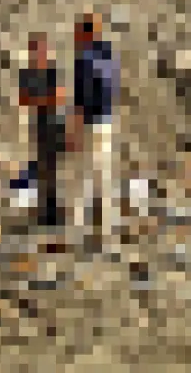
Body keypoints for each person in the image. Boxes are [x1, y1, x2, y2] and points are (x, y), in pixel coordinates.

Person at [67, 13, 120, 248]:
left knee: (82, 176)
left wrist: (74, 132)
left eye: (78, 31)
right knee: (104, 177)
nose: (75, 36)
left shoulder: (83, 59)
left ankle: (78, 231)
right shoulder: (108, 56)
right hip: (106, 122)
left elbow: (81, 98)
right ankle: (106, 232)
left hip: (89, 123)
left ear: (86, 33)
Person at [18, 33, 67, 229]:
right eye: (35, 49)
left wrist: (41, 100)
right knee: (41, 171)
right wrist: (44, 100)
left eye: (40, 49)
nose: (38, 53)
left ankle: (54, 214)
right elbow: (23, 99)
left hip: (54, 125)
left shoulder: (52, 72)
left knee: (53, 171)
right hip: (37, 127)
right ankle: (44, 213)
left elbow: (59, 97)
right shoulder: (27, 73)